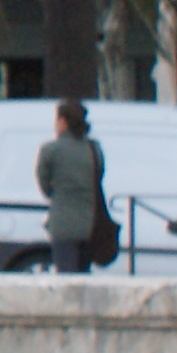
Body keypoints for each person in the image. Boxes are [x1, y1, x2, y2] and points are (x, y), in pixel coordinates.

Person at [38, 98, 110, 275]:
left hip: (62, 224)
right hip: (90, 224)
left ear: (63, 122)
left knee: (65, 273)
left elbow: (44, 185)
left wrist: (57, 193)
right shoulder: (94, 149)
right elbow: (98, 177)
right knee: (83, 274)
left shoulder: (50, 150)